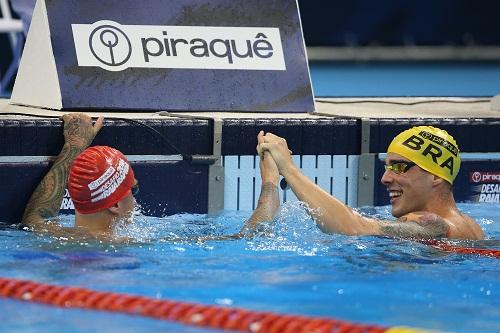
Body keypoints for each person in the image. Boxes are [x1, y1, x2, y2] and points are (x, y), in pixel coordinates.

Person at [21, 113, 279, 242]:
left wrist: (74, 144)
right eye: (132, 190)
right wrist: (271, 179)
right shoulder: (133, 244)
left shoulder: (49, 233)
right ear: (114, 205)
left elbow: (36, 213)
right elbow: (250, 236)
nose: (134, 198)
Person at [258, 126, 484, 240]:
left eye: (399, 167)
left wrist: (289, 168)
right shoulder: (471, 226)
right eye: (387, 167)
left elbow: (353, 228)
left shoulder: (436, 226)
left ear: (436, 176)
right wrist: (270, 181)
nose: (385, 178)